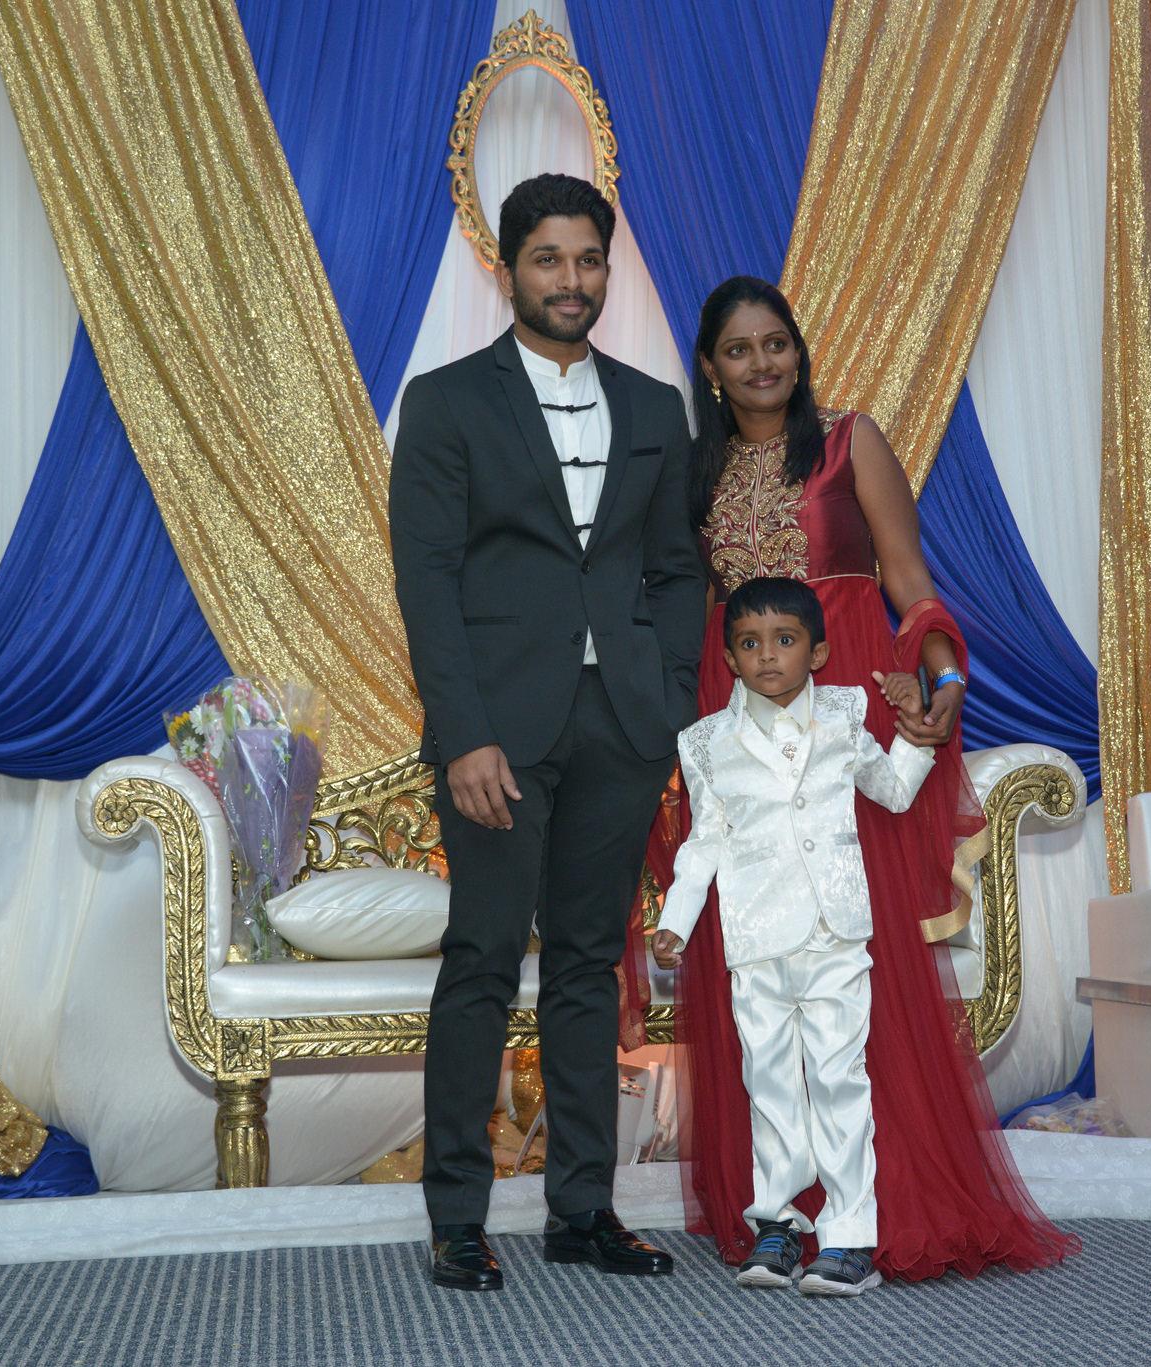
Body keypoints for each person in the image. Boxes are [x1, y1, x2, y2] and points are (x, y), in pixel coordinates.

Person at [630, 276, 1078, 1280]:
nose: (761, 363)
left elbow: (908, 581)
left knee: (853, 958)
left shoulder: (848, 443)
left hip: (847, 709)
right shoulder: (693, 470)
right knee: (755, 963)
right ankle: (779, 1209)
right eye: (738, 349)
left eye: (775, 343)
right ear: (709, 369)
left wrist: (944, 679)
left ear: (797, 350)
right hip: (737, 711)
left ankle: (886, 1207)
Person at [390, 173, 707, 1290]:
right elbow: (427, 582)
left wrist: (669, 699)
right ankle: (456, 1216)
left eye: (587, 260)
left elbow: (675, 569)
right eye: (548, 259)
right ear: (508, 268)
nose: (570, 280)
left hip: (622, 724)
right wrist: (463, 734)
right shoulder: (445, 402)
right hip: (498, 732)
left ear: (604, 270)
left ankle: (583, 1208)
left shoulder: (654, 406)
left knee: (586, 964)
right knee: (481, 960)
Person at [652, 578, 937, 1296]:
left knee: (840, 1078)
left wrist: (916, 733)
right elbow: (703, 840)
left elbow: (893, 790)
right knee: (771, 1082)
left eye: (784, 640)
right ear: (729, 657)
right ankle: (776, 1224)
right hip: (755, 940)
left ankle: (849, 1237)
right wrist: (675, 920)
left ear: (818, 651)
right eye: (750, 643)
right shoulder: (707, 742)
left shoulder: (843, 714)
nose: (768, 656)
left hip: (835, 934)